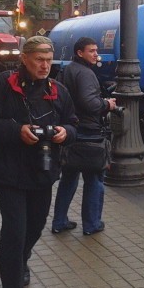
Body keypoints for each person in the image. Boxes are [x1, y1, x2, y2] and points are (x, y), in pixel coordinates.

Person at [0, 36, 77, 288]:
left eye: (49, 60)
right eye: (39, 60)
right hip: (10, 171)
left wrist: (66, 132)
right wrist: (16, 130)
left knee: (36, 226)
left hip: (43, 171)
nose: (45, 66)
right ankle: (13, 283)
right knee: (14, 233)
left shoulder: (58, 90)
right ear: (24, 58)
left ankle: (21, 259)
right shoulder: (4, 85)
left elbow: (74, 123)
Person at [52, 36, 116, 236]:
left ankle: (59, 221)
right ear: (80, 53)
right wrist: (107, 104)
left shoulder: (68, 69)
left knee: (69, 179)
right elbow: (90, 103)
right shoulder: (86, 74)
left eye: (96, 50)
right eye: (91, 51)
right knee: (94, 179)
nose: (96, 54)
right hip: (88, 134)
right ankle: (92, 224)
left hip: (70, 132)